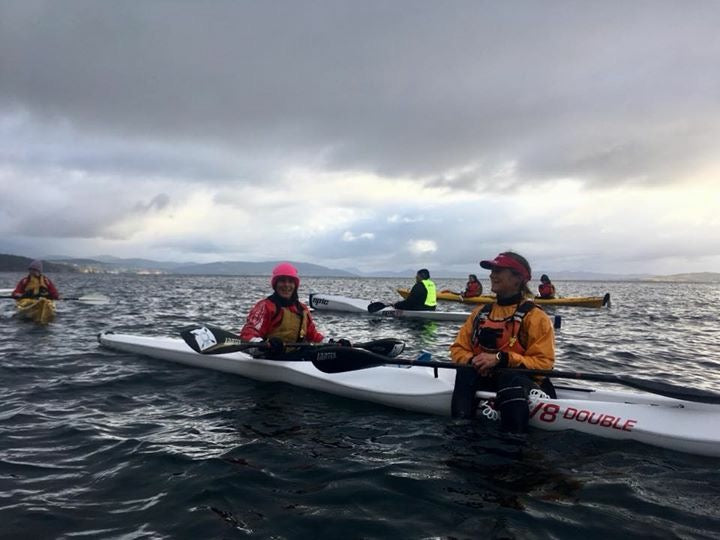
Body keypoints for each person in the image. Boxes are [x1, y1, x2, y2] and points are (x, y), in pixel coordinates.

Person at [449, 252, 555, 434]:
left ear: (518, 279)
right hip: (486, 378)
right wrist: (474, 361)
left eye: (499, 270)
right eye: (492, 270)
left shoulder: (536, 317)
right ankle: (460, 431)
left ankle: (514, 442)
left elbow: (544, 363)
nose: (492, 275)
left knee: (508, 376)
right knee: (465, 371)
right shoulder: (480, 313)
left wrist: (502, 358)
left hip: (522, 383)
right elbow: (458, 349)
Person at [240, 262, 340, 357]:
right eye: (282, 281)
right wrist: (264, 345)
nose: (287, 285)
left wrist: (332, 343)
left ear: (295, 285)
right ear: (276, 284)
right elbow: (247, 334)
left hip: (295, 355)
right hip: (269, 356)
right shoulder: (265, 306)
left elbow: (313, 336)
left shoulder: (302, 309)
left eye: (290, 281)